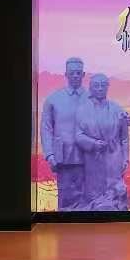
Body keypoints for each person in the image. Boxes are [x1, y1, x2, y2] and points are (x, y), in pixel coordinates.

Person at [75, 73, 130, 210]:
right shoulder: (83, 110)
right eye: (96, 85)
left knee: (116, 193)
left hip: (114, 157)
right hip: (93, 158)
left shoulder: (117, 109)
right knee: (94, 195)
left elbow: (124, 137)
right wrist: (94, 144)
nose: (100, 88)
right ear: (91, 88)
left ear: (107, 87)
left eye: (103, 85)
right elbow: (78, 135)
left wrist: (125, 158)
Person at [40, 57, 88, 210]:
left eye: (78, 73)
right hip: (63, 159)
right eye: (72, 73)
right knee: (65, 201)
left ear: (83, 74)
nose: (75, 76)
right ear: (66, 74)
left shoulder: (93, 99)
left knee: (87, 202)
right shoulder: (53, 100)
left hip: (88, 159)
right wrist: (49, 155)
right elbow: (46, 128)